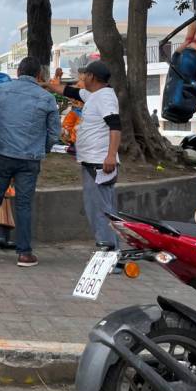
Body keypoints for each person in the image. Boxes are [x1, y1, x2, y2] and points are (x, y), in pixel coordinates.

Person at [0, 57, 60, 267]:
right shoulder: (46, 98)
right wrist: (41, 148)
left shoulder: (1, 91)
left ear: (18, 71)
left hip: (1, 154)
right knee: (24, 204)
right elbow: (54, 133)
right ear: (39, 75)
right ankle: (24, 253)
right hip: (29, 158)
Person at [49, 61, 121, 252]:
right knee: (97, 208)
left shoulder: (105, 98)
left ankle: (110, 254)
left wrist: (111, 156)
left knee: (100, 210)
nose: (82, 78)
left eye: (85, 74)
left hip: (100, 162)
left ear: (93, 77)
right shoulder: (93, 95)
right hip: (92, 161)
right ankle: (111, 252)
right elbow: (65, 90)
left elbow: (115, 126)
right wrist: (46, 84)